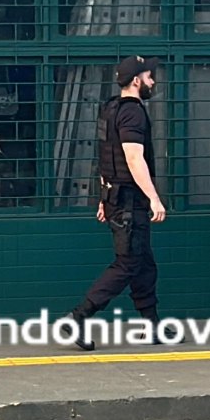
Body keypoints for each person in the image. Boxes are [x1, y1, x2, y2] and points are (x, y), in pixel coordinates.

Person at [64, 55, 167, 351]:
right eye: (148, 77)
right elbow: (133, 158)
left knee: (143, 263)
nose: (152, 81)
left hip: (115, 198)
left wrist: (103, 197)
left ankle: (152, 325)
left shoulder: (110, 109)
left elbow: (106, 156)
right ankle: (78, 317)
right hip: (129, 202)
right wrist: (154, 198)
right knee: (128, 263)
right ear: (136, 81)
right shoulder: (133, 112)